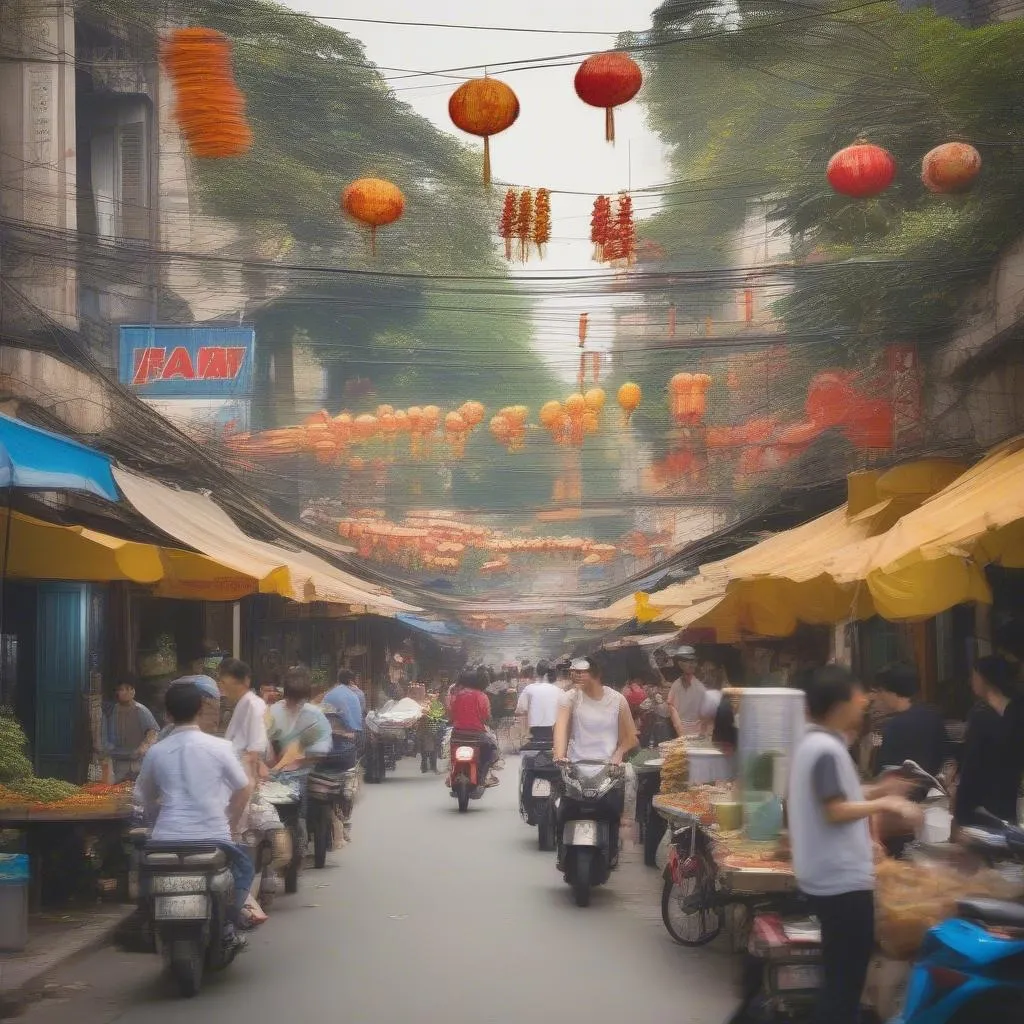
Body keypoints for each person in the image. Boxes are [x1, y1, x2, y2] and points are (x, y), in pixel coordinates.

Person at [788, 666, 922, 1024]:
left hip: (826, 878)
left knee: (839, 979)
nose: (863, 704)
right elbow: (835, 810)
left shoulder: (813, 744)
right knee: (844, 986)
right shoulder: (826, 750)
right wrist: (885, 804)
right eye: (857, 697)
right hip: (841, 884)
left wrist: (878, 790)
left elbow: (834, 797)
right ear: (838, 705)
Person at [133, 682, 253, 946]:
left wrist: (155, 815)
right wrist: (231, 822)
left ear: (167, 715)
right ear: (201, 709)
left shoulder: (156, 751)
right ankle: (228, 925)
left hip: (166, 839)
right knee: (244, 868)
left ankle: (144, 921)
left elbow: (142, 796)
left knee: (143, 871)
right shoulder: (220, 747)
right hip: (213, 838)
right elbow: (243, 789)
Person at [553, 656, 639, 864]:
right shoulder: (569, 698)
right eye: (573, 671)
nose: (575, 675)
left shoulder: (617, 699)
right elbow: (561, 728)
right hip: (575, 766)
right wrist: (559, 754)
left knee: (613, 808)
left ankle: (617, 843)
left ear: (596, 674)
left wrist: (618, 755)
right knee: (563, 809)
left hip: (607, 769)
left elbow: (631, 737)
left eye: (581, 671)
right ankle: (562, 848)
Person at [953, 654, 1023, 831]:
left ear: (984, 678)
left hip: (979, 805)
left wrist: (959, 813)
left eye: (974, 676)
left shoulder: (981, 715)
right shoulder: (1017, 710)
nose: (971, 682)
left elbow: (971, 767)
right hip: (1008, 799)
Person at [873, 663, 948, 779]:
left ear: (892, 691)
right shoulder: (932, 715)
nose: (878, 697)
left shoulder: (895, 726)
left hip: (904, 793)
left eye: (880, 691)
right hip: (933, 789)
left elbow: (883, 772)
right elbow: (945, 757)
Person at [219, 659, 268, 787]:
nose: (222, 688)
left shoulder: (254, 704)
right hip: (235, 769)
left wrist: (254, 778)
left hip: (243, 773)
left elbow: (254, 748)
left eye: (224, 683)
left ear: (245, 681)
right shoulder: (243, 702)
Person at [448, 668, 499, 786]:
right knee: (492, 750)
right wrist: (492, 724)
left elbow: (451, 714)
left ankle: (451, 774)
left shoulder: (457, 695)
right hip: (477, 736)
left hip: (457, 735)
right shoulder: (482, 696)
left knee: (451, 755)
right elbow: (486, 717)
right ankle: (483, 777)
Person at [101, 679, 158, 782]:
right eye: (122, 689)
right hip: (118, 763)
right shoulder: (111, 711)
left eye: (129, 689)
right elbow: (104, 734)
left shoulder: (140, 710)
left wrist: (143, 747)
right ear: (117, 692)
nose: (126, 692)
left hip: (138, 762)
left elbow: (152, 732)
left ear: (133, 691)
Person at [321, 669, 363, 774]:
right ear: (351, 681)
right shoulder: (357, 694)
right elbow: (359, 715)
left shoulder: (328, 694)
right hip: (352, 738)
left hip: (330, 740)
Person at [515, 660, 561, 745]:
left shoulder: (529, 689)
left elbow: (520, 710)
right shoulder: (558, 691)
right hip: (555, 732)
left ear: (537, 672)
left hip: (535, 732)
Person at [666, 646, 707, 736]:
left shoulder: (700, 687)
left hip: (698, 733)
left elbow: (706, 714)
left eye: (694, 662)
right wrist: (680, 730)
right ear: (680, 664)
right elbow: (672, 708)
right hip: (681, 732)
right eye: (689, 662)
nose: (692, 665)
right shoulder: (676, 685)